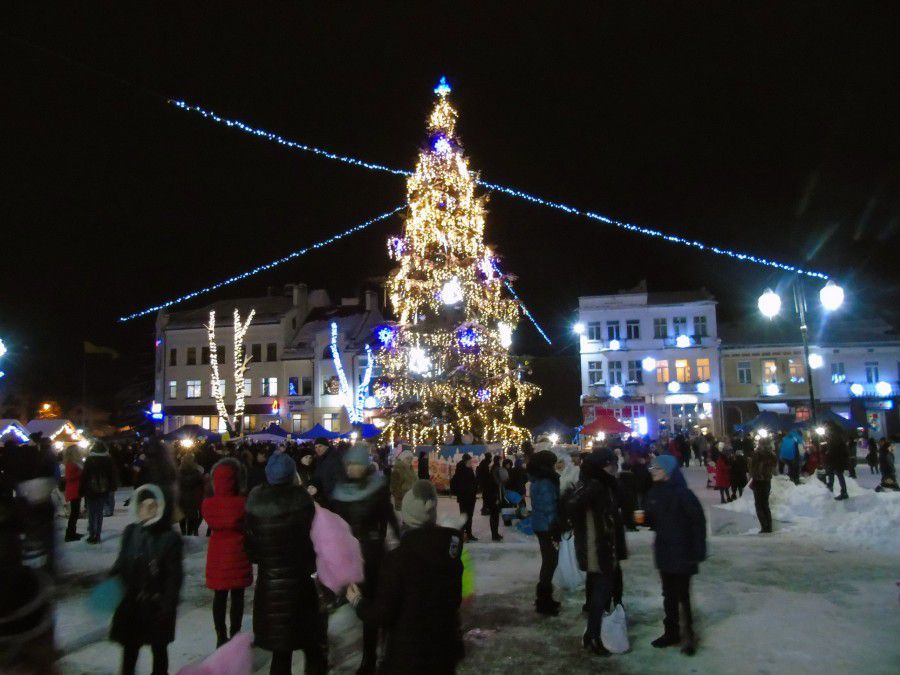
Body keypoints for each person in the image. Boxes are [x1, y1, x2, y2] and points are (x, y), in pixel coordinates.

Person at [345, 480, 464, 674]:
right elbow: (454, 600)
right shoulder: (449, 551)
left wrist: (358, 601)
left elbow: (383, 614)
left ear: (406, 517)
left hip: (409, 656)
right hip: (444, 651)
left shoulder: (398, 560)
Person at [245, 452, 327, 675]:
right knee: (312, 646)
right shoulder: (304, 505)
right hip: (301, 589)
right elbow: (317, 544)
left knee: (281, 653)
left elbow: (250, 551)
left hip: (270, 590)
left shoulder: (255, 508)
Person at [331, 444, 401, 674]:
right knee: (356, 600)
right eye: (349, 464)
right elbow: (335, 522)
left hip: (373, 553)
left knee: (369, 602)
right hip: (350, 553)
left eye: (356, 464)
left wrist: (399, 540)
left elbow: (389, 517)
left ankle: (370, 657)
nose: (351, 469)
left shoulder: (377, 488)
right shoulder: (341, 491)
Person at [110, 484, 183, 675]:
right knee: (129, 652)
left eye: (153, 506)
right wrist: (113, 581)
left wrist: (167, 606)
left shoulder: (169, 538)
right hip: (132, 605)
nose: (147, 510)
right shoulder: (131, 532)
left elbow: (173, 577)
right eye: (144, 506)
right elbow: (121, 563)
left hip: (156, 604)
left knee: (158, 651)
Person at [565, 448, 627, 656]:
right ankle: (593, 636)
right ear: (604, 466)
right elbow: (570, 506)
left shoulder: (599, 484)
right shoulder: (596, 486)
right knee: (601, 592)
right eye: (613, 464)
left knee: (598, 591)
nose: (616, 468)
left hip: (601, 547)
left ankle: (592, 634)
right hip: (597, 548)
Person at [645, 455, 706, 656]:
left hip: (682, 550)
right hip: (664, 550)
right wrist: (644, 518)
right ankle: (671, 632)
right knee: (668, 595)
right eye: (652, 467)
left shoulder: (683, 494)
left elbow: (697, 522)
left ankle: (688, 635)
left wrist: (698, 550)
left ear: (669, 471)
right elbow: (655, 521)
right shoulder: (654, 492)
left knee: (682, 595)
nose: (653, 470)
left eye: (657, 468)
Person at [202, 457, 253, 647]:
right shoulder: (242, 503)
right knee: (237, 597)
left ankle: (220, 635)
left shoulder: (208, 504)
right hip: (238, 552)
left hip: (217, 553)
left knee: (220, 596)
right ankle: (235, 633)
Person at [527, 450, 561, 616]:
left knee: (549, 562)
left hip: (542, 525)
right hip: (548, 527)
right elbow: (549, 507)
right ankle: (543, 600)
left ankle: (545, 598)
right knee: (550, 562)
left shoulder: (538, 480)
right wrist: (557, 526)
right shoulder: (546, 482)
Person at [81, 441, 117, 544]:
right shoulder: (108, 459)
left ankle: (92, 533)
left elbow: (85, 475)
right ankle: (98, 534)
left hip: (90, 489)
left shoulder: (89, 459)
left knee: (91, 512)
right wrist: (112, 486)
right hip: (103, 489)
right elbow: (112, 474)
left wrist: (82, 489)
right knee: (99, 512)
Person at [748, 439, 776, 533]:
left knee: (759, 505)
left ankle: (764, 527)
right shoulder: (772, 455)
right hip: (767, 480)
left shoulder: (757, 455)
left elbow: (752, 468)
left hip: (758, 480)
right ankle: (769, 527)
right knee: (765, 504)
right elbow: (774, 467)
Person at [449, 453, 477, 541]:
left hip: (470, 497)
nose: (470, 462)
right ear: (465, 461)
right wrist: (459, 492)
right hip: (464, 497)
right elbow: (454, 483)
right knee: (464, 517)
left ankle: (469, 534)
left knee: (469, 516)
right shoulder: (461, 470)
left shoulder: (468, 469)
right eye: (469, 461)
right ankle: (462, 535)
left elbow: (473, 482)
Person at [312, 437, 345, 505]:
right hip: (325, 497)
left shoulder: (335, 458)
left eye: (320, 446)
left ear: (327, 446)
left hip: (333, 499)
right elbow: (318, 475)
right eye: (316, 447)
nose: (317, 449)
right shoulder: (320, 459)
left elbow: (339, 479)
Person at [177, 453, 205, 536]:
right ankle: (189, 534)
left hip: (181, 498)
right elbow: (202, 485)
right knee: (192, 517)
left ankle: (183, 532)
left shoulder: (179, 473)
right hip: (193, 499)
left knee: (182, 517)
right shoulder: (197, 473)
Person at [823, 422, 850, 500]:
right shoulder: (838, 434)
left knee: (838, 474)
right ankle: (832, 487)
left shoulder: (834, 436)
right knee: (833, 472)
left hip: (837, 459)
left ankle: (843, 492)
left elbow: (834, 448)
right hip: (838, 459)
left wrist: (828, 452)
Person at [63, 445, 84, 541]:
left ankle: (72, 532)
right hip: (73, 490)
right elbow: (69, 477)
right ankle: (70, 534)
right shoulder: (71, 464)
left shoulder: (73, 463)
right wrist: (80, 474)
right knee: (74, 513)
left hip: (75, 490)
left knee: (75, 513)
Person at [482, 455, 503, 541]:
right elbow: (495, 484)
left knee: (494, 516)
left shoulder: (493, 469)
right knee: (494, 516)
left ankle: (495, 534)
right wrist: (497, 497)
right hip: (493, 496)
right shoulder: (496, 469)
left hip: (492, 495)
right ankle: (494, 535)